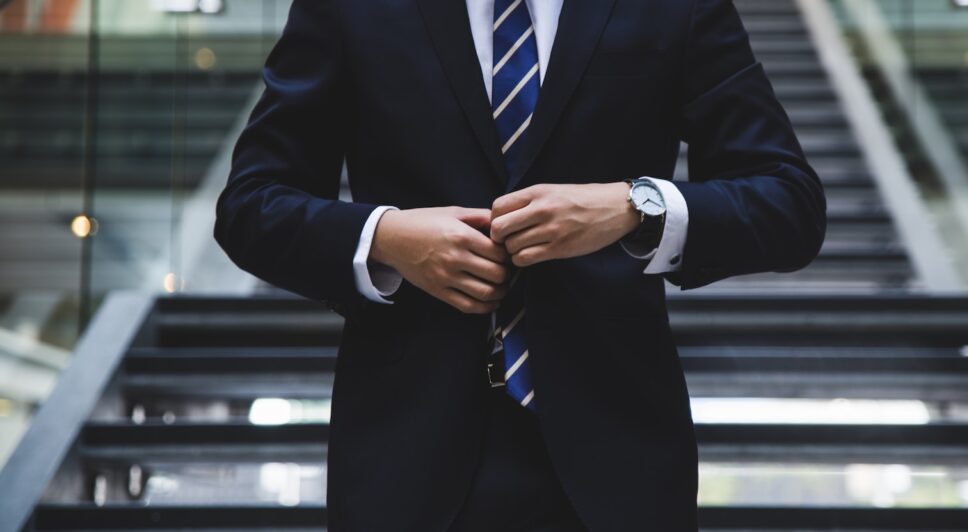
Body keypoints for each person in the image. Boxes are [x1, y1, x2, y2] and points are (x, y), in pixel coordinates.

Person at [214, 0, 827, 530]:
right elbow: (250, 206)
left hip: (618, 459)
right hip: (403, 454)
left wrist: (635, 204)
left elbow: (789, 203)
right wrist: (385, 237)